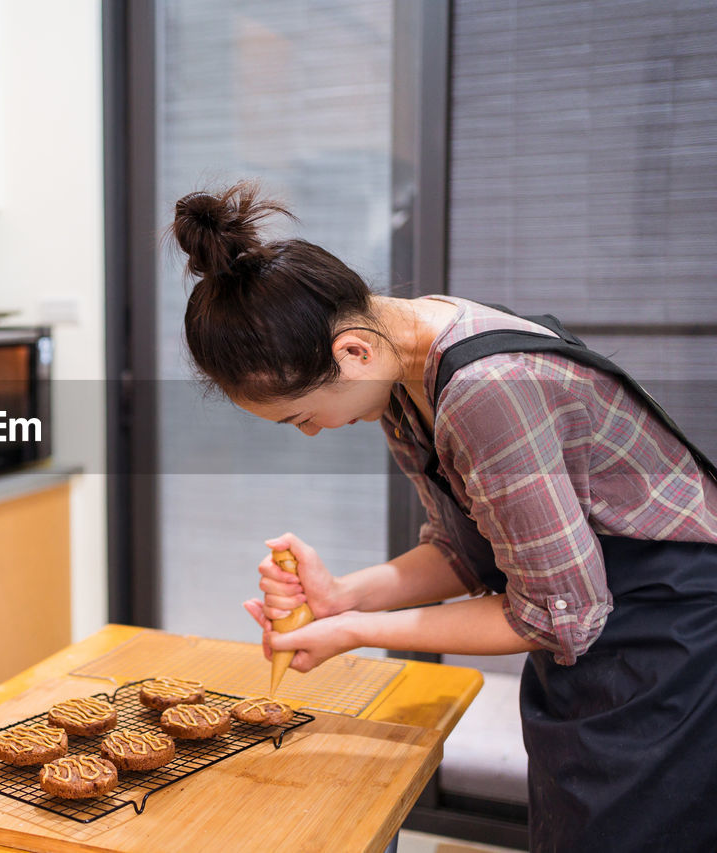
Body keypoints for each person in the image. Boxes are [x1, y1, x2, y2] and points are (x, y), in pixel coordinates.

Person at [170, 183, 717, 851]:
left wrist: (356, 630)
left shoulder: (486, 390)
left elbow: (560, 614)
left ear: (352, 352)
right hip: (601, 631)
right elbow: (467, 553)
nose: (312, 433)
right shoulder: (401, 368)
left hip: (675, 633)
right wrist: (343, 597)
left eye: (303, 415)